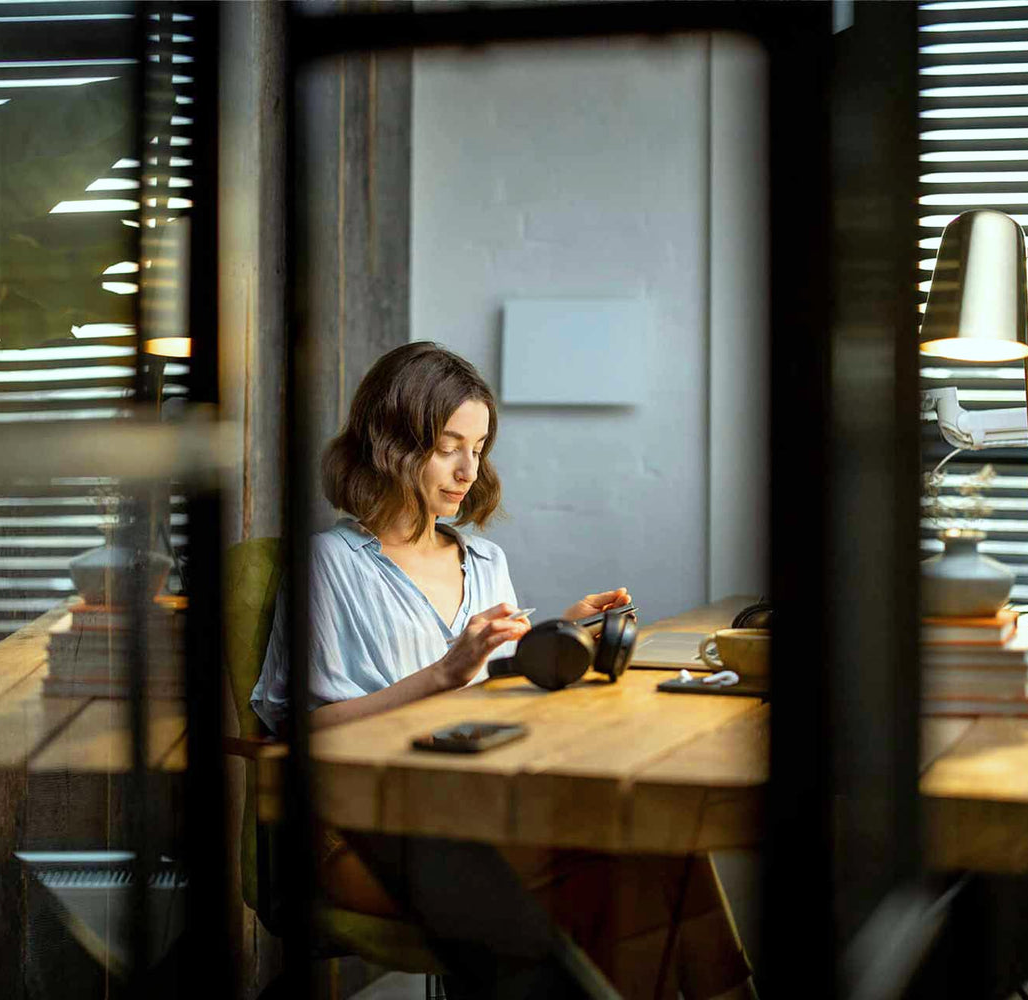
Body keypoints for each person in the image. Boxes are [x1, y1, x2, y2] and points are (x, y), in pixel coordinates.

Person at [249, 342, 754, 999]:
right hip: (359, 834)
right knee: (616, 876)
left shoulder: (484, 560)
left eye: (479, 447)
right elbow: (299, 734)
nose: (468, 469)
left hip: (473, 808)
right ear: (390, 443)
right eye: (447, 445)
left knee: (664, 843)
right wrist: (443, 674)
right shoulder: (329, 565)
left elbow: (489, 702)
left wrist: (558, 639)